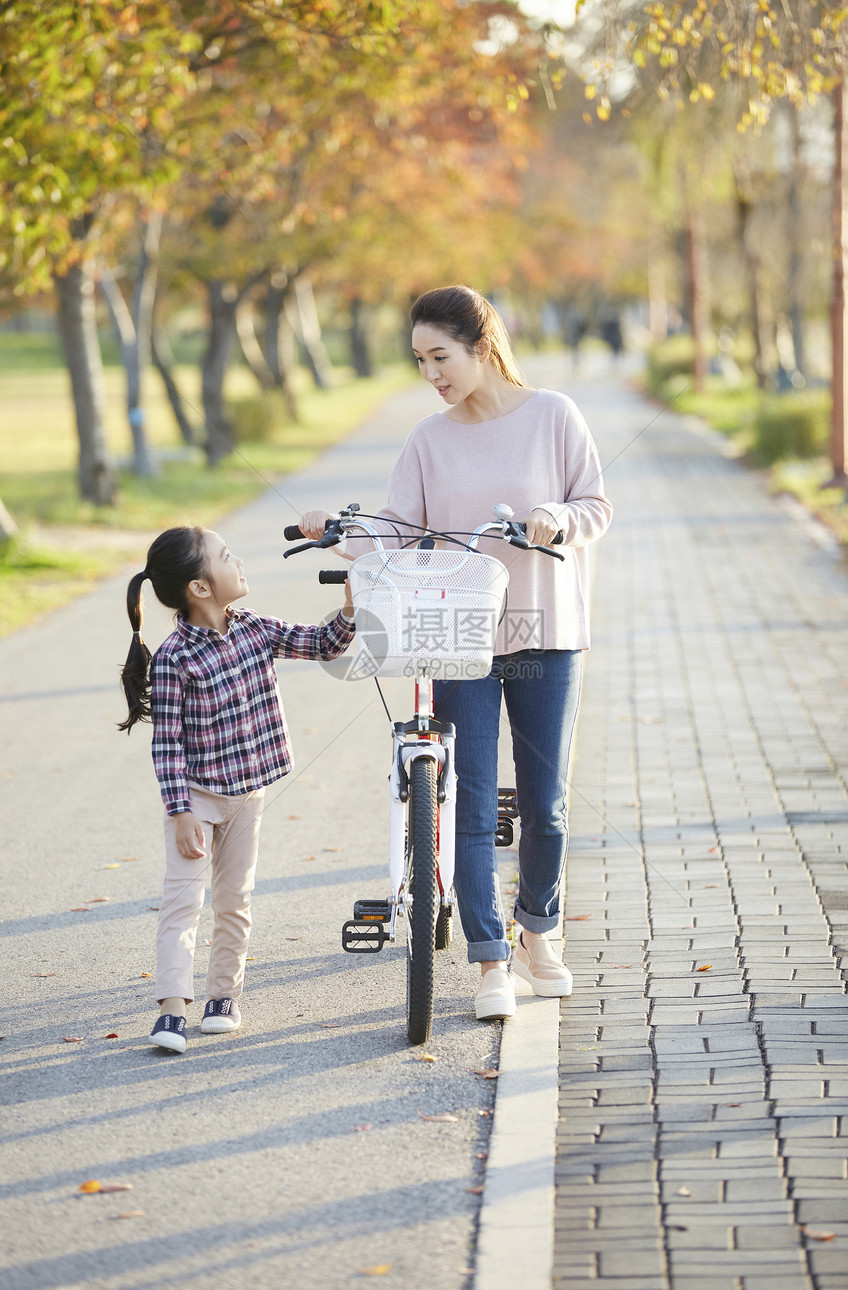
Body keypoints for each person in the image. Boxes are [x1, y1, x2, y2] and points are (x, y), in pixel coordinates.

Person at [300, 284, 612, 1023]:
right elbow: (396, 532)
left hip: (546, 635)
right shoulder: (428, 440)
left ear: (481, 347)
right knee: (467, 802)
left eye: (440, 356)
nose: (430, 373)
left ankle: (539, 933)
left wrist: (553, 519)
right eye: (419, 360)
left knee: (547, 806)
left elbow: (596, 506)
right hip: (460, 639)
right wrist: (330, 529)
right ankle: (490, 960)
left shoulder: (554, 417)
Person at [118, 525, 354, 1053]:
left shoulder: (255, 629)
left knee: (234, 898)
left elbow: (319, 644)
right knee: (182, 902)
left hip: (247, 793)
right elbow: (168, 744)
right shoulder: (177, 657)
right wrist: (180, 811)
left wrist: (351, 610)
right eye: (226, 556)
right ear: (200, 587)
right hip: (196, 798)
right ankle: (172, 1011)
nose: (239, 560)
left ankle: (222, 997)